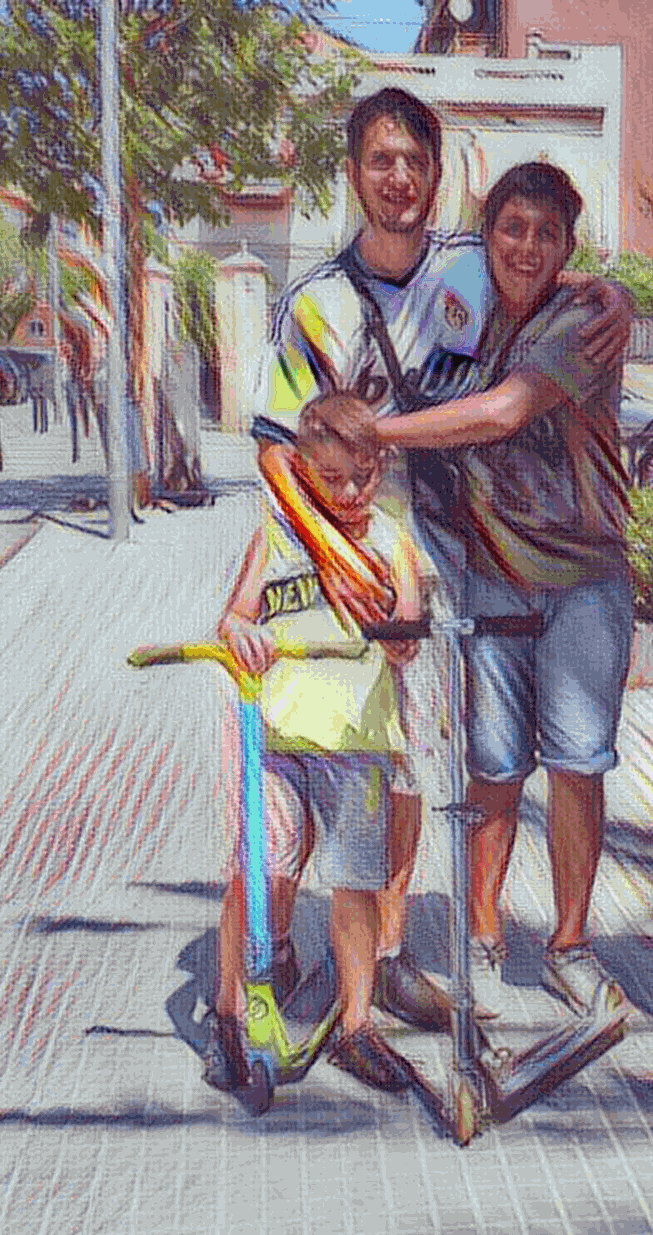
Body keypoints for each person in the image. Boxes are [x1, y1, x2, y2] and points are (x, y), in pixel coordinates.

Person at [253, 87, 632, 1021]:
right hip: (346, 562)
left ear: (436, 175)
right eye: (381, 160)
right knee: (314, 747)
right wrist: (330, 555)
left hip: (447, 568)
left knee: (412, 763)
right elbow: (274, 450)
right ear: (354, 173)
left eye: (414, 162)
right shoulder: (315, 304)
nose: (398, 178)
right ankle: (274, 950)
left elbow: (545, 272)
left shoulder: (467, 268)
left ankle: (386, 954)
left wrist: (614, 293)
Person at [374, 162, 634, 1021]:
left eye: (546, 234)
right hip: (491, 576)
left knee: (576, 765)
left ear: (567, 248)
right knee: (492, 767)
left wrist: (376, 432)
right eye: (512, 228)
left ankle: (570, 946)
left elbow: (503, 413)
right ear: (487, 235)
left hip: (584, 579)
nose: (527, 247)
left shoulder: (583, 319)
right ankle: (483, 938)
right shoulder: (467, 309)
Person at [208, 390, 420, 1097]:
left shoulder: (391, 539)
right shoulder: (276, 538)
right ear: (302, 470)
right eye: (333, 480)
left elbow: (408, 627)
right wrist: (240, 633)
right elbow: (233, 618)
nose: (352, 494)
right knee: (258, 869)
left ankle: (357, 1025)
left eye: (365, 477)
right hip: (276, 737)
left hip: (357, 741)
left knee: (355, 882)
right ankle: (229, 1015)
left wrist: (400, 638)